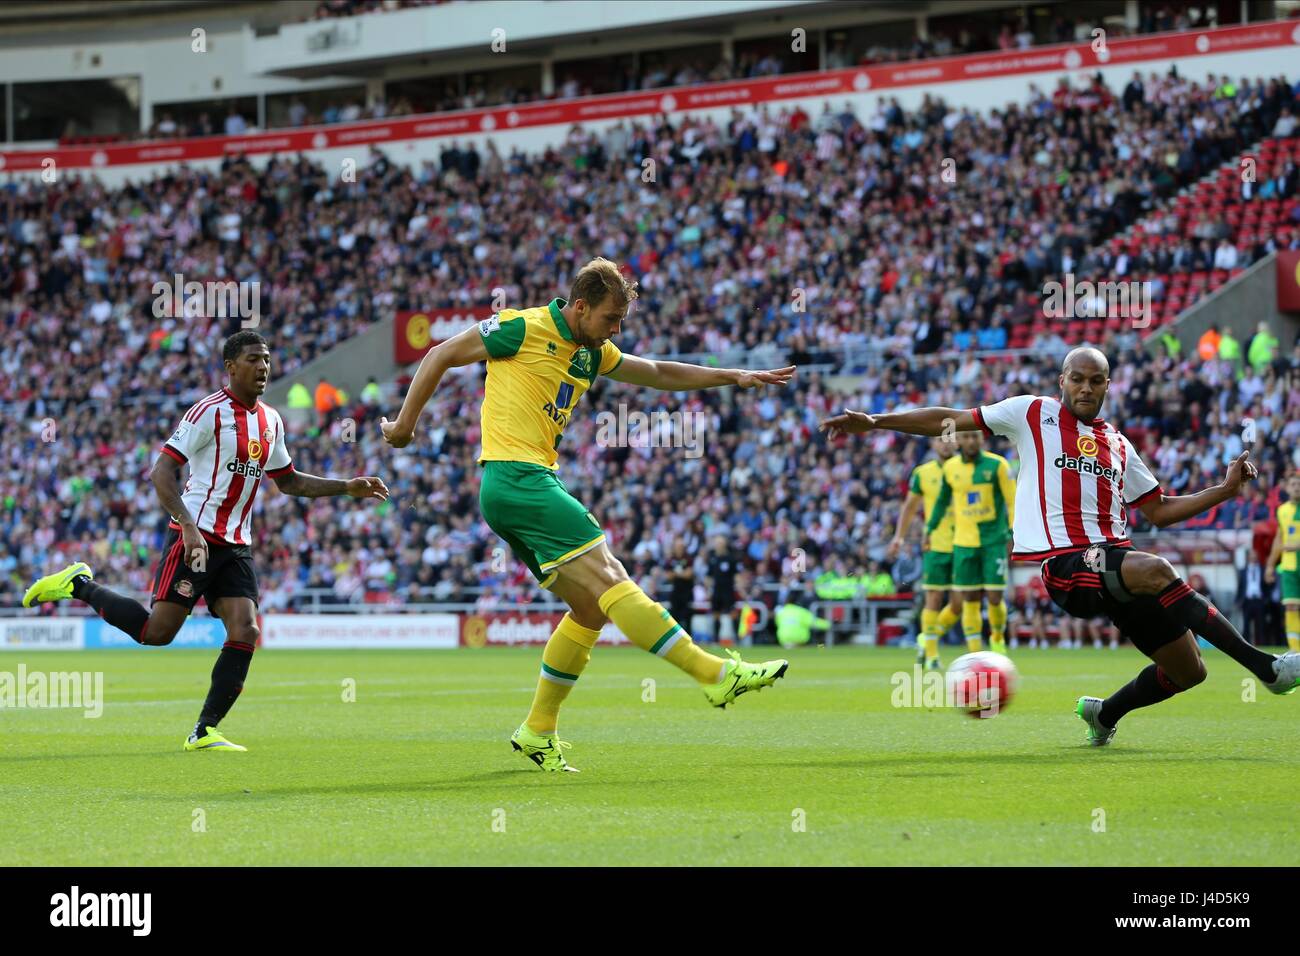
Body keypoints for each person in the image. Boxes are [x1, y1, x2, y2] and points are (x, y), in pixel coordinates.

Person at [381, 258, 794, 772]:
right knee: (611, 575)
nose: (617, 330)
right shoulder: (519, 327)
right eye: (611, 319)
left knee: (591, 610)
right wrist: (403, 425)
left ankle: (537, 729)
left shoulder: (590, 350)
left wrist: (734, 376)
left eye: (621, 321)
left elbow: (659, 372)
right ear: (580, 307)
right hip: (517, 478)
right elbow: (440, 354)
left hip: (522, 486)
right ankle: (712, 673)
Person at [821, 346, 1300, 747]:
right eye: (1077, 379)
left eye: (1096, 380)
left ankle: (1104, 715)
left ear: (1108, 386)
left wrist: (1225, 489)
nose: (1086, 388)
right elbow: (951, 418)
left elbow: (1158, 509)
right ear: (1062, 380)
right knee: (1156, 568)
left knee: (1188, 670)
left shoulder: (1117, 443)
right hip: (1066, 566)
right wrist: (877, 422)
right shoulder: (1033, 413)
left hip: (1116, 570)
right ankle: (1266, 668)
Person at [22, 331, 389, 751]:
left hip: (235, 545)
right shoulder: (206, 414)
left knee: (246, 629)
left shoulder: (271, 421)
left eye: (267, 359)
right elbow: (162, 472)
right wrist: (190, 528)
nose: (264, 367)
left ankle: (204, 730)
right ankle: (79, 585)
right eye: (254, 359)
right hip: (193, 536)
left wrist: (347, 486)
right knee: (156, 633)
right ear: (231, 367)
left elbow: (288, 482)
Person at [925, 431, 1017, 656]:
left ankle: (997, 638)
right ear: (958, 441)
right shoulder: (951, 468)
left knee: (995, 596)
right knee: (970, 597)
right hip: (963, 542)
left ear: (982, 439)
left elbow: (1012, 500)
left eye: (974, 437)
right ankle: (975, 652)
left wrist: (1013, 532)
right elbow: (941, 502)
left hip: (993, 540)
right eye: (965, 437)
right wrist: (930, 529)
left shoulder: (998, 465)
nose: (970, 441)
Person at [887, 437, 958, 670]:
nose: (946, 444)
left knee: (960, 604)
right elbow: (909, 506)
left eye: (951, 439)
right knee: (933, 599)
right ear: (933, 445)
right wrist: (898, 537)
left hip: (965, 543)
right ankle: (932, 655)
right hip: (935, 545)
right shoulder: (922, 473)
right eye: (940, 440)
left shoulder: (968, 469)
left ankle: (927, 638)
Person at [1264, 471, 1300, 652]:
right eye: (1293, 484)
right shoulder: (1283, 510)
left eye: (1299, 484)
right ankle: (1296, 652)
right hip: (1289, 567)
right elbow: (1279, 538)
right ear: (1287, 487)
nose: (1297, 487)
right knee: (1291, 606)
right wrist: (1270, 565)